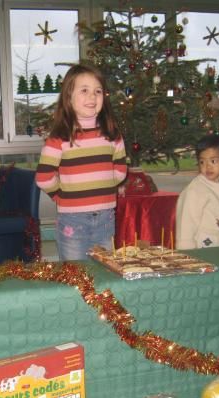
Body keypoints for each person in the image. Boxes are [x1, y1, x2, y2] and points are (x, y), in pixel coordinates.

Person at [35, 64, 127, 261]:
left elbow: (120, 171)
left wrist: (101, 188)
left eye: (98, 91)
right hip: (72, 219)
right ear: (68, 97)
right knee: (77, 273)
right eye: (84, 90)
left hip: (105, 217)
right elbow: (43, 177)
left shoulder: (112, 135)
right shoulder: (59, 138)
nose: (92, 97)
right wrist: (60, 196)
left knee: (106, 271)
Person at [176, 134, 219, 250]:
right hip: (202, 252)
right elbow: (185, 228)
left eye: (213, 161)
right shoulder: (194, 191)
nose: (207, 167)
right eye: (202, 162)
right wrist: (188, 256)